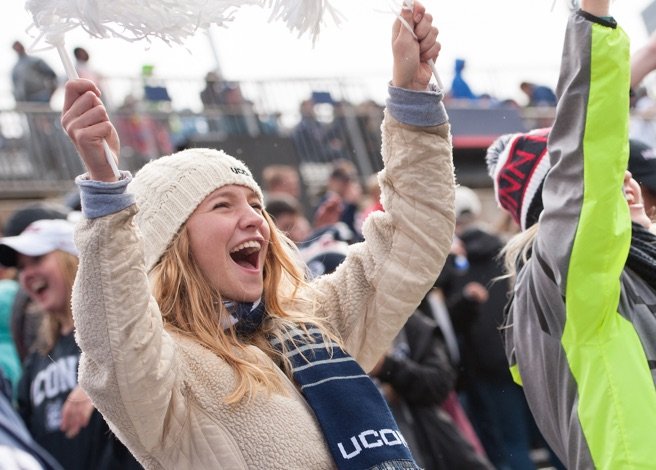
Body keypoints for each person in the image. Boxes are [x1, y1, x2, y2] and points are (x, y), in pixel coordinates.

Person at [60, 2, 455, 469]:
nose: (254, 220)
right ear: (170, 244)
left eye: (255, 204)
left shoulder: (317, 321)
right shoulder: (166, 376)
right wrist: (107, 196)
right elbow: (114, 332)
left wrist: (412, 97)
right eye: (223, 205)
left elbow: (412, 240)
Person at [486, 1, 656, 467]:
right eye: (608, 175)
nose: (627, 180)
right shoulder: (574, 284)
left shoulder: (623, 269)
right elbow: (589, 148)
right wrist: (594, 19)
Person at [0, 219, 142, 470]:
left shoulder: (122, 332)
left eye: (37, 260)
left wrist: (104, 382)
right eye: (21, 268)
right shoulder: (38, 356)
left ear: (73, 258)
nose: (27, 274)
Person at [11, 41, 58, 105]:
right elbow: (15, 85)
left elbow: (52, 75)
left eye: (19, 46)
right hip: (26, 101)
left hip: (42, 97)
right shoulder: (15, 68)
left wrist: (50, 91)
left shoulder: (36, 61)